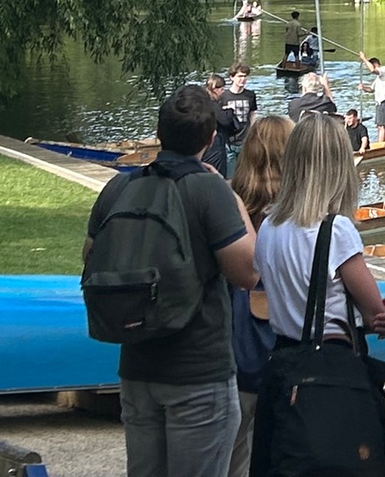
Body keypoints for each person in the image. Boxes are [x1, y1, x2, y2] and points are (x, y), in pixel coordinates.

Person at [84, 84, 258, 477]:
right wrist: (234, 200)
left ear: (159, 132)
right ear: (211, 137)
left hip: (136, 367)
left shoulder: (119, 188)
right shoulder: (208, 189)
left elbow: (90, 257)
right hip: (198, 372)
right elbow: (247, 272)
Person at [252, 113, 385, 362]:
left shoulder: (268, 226)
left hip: (283, 359)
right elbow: (375, 316)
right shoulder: (336, 230)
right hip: (330, 365)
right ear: (340, 167)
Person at [227, 115, 291, 477]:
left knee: (232, 458)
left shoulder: (228, 208)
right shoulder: (300, 217)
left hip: (232, 356)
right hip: (283, 356)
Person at [217, 65, 258, 178]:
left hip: (245, 140)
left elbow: (252, 116)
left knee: (247, 175)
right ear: (232, 77)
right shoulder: (223, 97)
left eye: (245, 76)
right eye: (239, 76)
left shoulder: (250, 95)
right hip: (228, 141)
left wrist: (254, 134)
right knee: (230, 175)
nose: (243, 79)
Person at [358, 54, 385, 145]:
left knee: (381, 125)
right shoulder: (378, 79)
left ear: (375, 64)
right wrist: (363, 87)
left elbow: (372, 70)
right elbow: (371, 89)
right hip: (379, 102)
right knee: (380, 125)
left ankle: (380, 145)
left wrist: (364, 59)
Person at [201, 73, 231, 173]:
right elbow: (225, 121)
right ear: (215, 89)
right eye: (222, 89)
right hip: (215, 146)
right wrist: (229, 111)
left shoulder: (202, 103)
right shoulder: (213, 105)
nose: (223, 92)